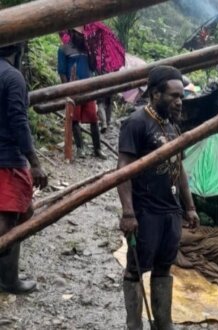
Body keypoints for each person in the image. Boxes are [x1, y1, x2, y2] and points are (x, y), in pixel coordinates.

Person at [117, 65, 199, 330]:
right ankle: (134, 324)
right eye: (173, 96)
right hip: (145, 211)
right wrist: (128, 212)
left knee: (165, 266)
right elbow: (123, 170)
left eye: (181, 97)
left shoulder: (172, 125)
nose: (179, 102)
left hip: (170, 211)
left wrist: (189, 207)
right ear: (154, 94)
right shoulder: (136, 123)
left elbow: (180, 168)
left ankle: (163, 322)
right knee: (136, 269)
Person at [0, 43, 48, 294]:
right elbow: (19, 120)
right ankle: (8, 280)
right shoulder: (12, 76)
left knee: (23, 210)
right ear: (17, 49)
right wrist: (35, 162)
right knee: (12, 217)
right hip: (7, 158)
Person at [57, 27, 106, 159]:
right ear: (71, 34)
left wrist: (93, 52)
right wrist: (67, 89)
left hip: (88, 88)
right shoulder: (63, 49)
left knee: (94, 119)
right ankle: (80, 148)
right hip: (73, 88)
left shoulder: (87, 49)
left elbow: (93, 67)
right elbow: (62, 71)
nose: (81, 37)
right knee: (74, 119)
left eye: (82, 35)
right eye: (78, 34)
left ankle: (97, 149)